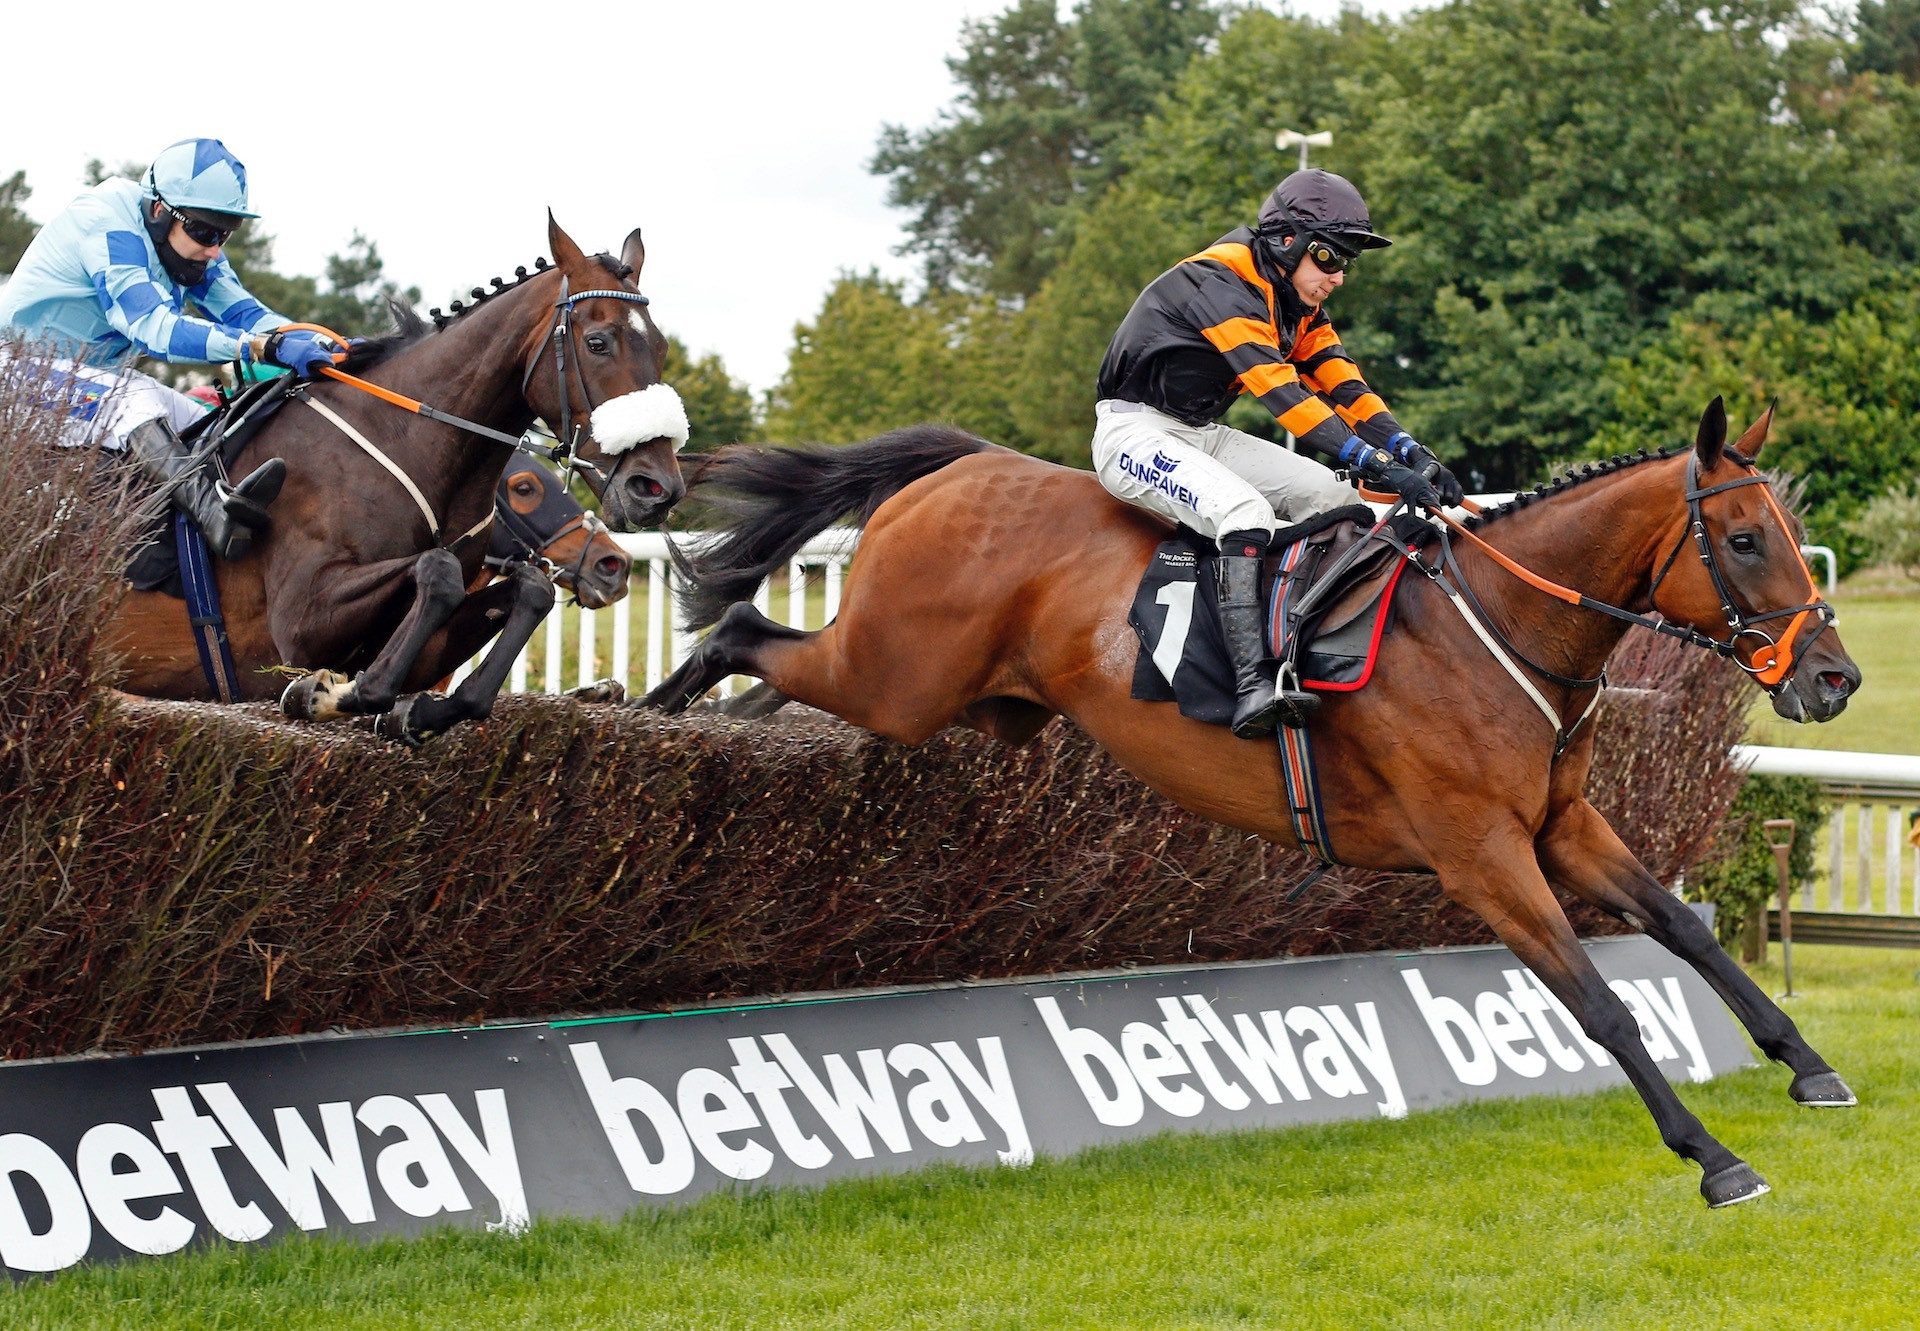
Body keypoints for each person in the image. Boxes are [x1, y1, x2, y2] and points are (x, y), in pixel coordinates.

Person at [1093, 168, 1463, 738]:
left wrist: (1410, 450)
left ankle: (1316, 639)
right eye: (1331, 259)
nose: (1339, 277)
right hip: (1133, 434)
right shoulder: (1219, 282)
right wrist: (1379, 465)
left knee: (1334, 497)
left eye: (1346, 263)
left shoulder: (1294, 299)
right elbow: (1285, 399)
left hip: (1196, 431)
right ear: (1285, 241)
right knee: (1245, 514)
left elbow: (1345, 385)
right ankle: (1251, 686)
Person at [0, 138, 340, 559]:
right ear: (159, 211)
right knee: (137, 401)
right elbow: (153, 329)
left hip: (94, 378)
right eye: (204, 231)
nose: (214, 248)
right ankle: (217, 519)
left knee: (215, 421)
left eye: (224, 234)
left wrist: (329, 344)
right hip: (15, 372)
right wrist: (261, 348)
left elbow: (242, 313)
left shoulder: (193, 244)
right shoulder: (107, 221)